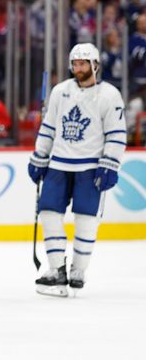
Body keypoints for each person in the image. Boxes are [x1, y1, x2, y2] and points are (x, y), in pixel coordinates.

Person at [28, 43, 126, 296]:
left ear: (95, 65)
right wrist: (40, 156)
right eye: (75, 64)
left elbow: (116, 133)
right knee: (49, 214)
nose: (78, 68)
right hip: (59, 164)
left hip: (91, 166)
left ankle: (78, 270)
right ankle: (56, 269)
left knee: (86, 220)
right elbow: (49, 127)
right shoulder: (61, 91)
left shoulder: (109, 95)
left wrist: (110, 164)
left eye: (83, 63)